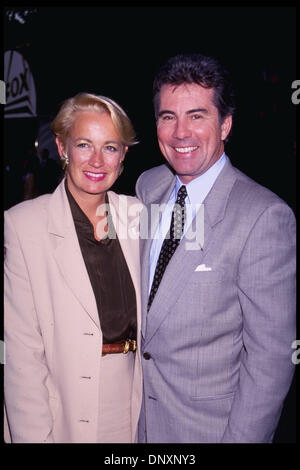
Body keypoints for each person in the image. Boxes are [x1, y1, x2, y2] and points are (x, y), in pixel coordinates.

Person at [136, 53, 296, 443]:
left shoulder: (264, 217)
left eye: (197, 115)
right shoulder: (148, 187)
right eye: (168, 116)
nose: (180, 133)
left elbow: (270, 363)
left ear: (225, 124)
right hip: (137, 428)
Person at [4, 92, 143, 443]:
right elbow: (22, 359)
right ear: (62, 147)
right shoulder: (24, 225)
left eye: (110, 147)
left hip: (134, 407)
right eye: (84, 144)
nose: (97, 160)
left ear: (123, 154)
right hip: (58, 411)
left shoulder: (140, 217)